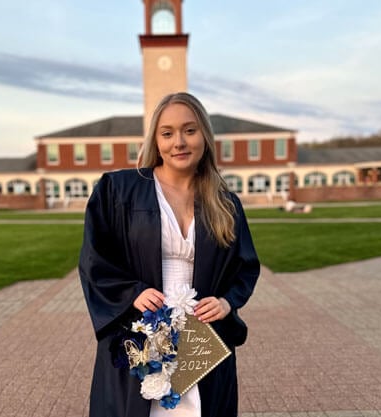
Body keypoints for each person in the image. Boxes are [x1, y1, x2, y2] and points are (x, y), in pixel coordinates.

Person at [79, 92, 260, 417]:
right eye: (167, 133)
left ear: (204, 135)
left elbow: (245, 267)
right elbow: (95, 260)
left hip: (202, 337)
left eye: (190, 130)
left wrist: (226, 302)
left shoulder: (225, 203)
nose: (179, 141)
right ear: (156, 140)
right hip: (141, 329)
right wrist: (132, 293)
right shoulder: (119, 190)